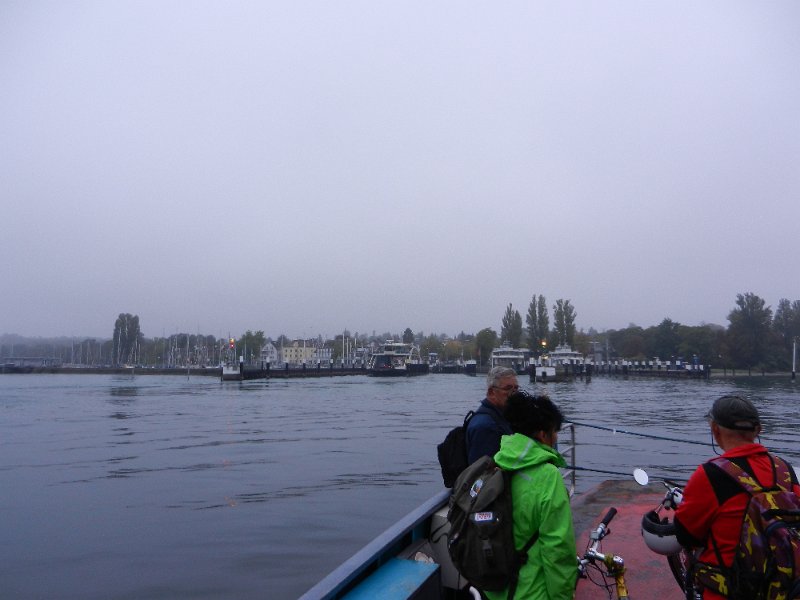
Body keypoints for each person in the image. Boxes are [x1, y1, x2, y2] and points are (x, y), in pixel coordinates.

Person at [673, 394, 800, 600]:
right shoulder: (784, 469)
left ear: (715, 429)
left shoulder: (710, 474)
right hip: (782, 588)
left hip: (728, 591)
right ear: (758, 430)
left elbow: (686, 535)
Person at [484, 390, 576, 600]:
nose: (556, 437)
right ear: (543, 434)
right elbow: (558, 548)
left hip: (494, 588)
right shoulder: (548, 476)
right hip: (531, 592)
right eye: (554, 431)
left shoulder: (498, 460)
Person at [465, 366, 516, 465]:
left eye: (516, 388)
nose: (514, 393)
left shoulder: (499, 417)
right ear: (491, 392)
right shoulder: (486, 427)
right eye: (508, 388)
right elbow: (482, 474)